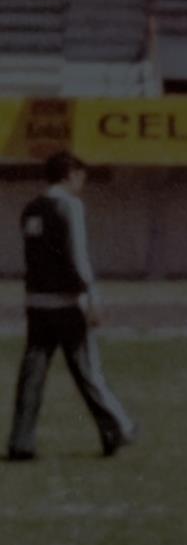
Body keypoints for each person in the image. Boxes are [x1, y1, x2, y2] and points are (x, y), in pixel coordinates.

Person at [7, 151, 139, 462]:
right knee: (87, 370)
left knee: (32, 375)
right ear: (70, 175)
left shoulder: (31, 209)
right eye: (81, 177)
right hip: (67, 303)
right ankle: (118, 428)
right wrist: (93, 297)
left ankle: (20, 442)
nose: (82, 184)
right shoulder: (70, 206)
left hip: (36, 302)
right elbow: (78, 255)